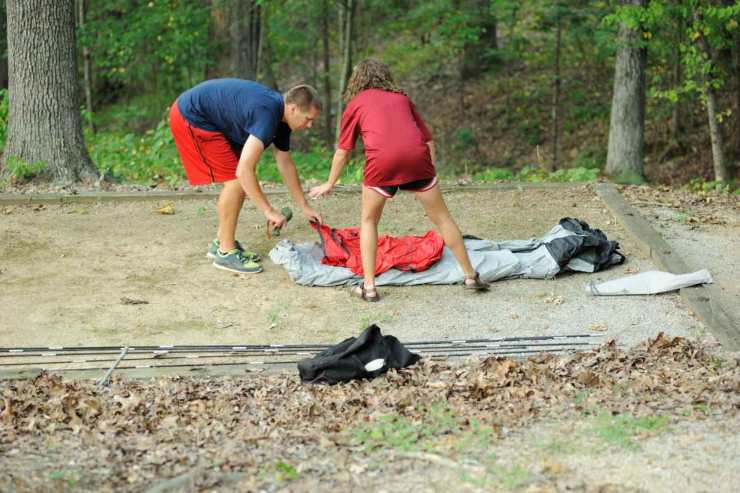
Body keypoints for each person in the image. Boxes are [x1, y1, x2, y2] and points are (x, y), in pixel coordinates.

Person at [309, 59, 489, 301]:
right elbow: (428, 141)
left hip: (382, 163)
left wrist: (329, 183)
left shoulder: (356, 104)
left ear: (357, 80)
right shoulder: (402, 98)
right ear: (385, 77)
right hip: (418, 159)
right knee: (443, 218)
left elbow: (343, 151)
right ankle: (470, 275)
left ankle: (369, 287)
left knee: (369, 221)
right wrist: (429, 171)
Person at [169, 79, 323, 274]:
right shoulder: (268, 114)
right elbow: (243, 171)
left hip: (209, 118)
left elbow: (285, 163)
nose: (309, 125)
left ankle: (222, 242)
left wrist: (304, 206)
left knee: (240, 179)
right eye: (308, 118)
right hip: (191, 115)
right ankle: (225, 252)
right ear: (292, 108)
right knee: (237, 181)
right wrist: (268, 211)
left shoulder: (281, 120)